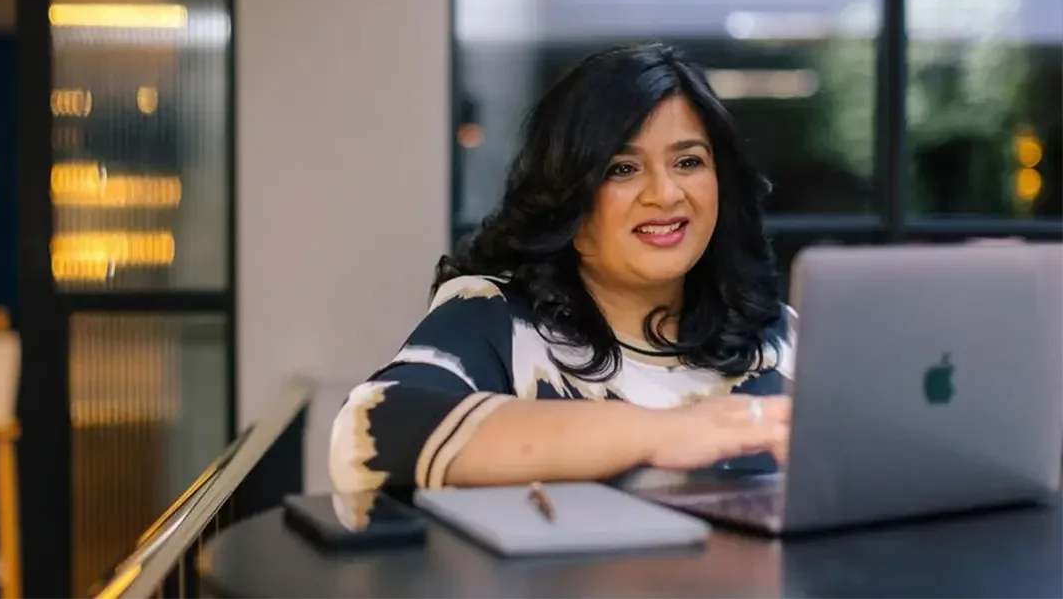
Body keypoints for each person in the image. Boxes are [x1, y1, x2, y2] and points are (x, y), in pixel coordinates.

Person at [329, 43, 795, 494]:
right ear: (567, 193)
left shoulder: (776, 334)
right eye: (622, 169)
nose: (666, 193)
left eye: (688, 161)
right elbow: (366, 433)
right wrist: (658, 434)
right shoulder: (492, 319)